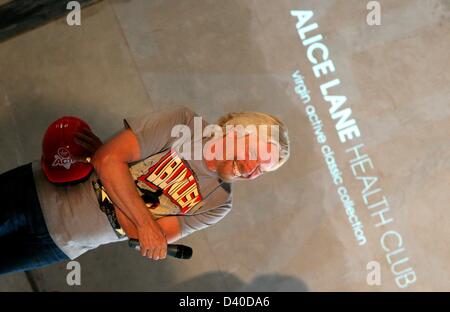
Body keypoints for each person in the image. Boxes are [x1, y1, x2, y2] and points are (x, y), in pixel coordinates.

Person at [0, 106, 290, 275]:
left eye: (263, 170)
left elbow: (147, 239)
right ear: (236, 131)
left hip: (59, 245)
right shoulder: (183, 124)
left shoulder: (218, 203)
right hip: (33, 194)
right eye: (255, 154)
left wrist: (116, 177)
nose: (253, 171)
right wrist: (141, 216)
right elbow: (106, 160)